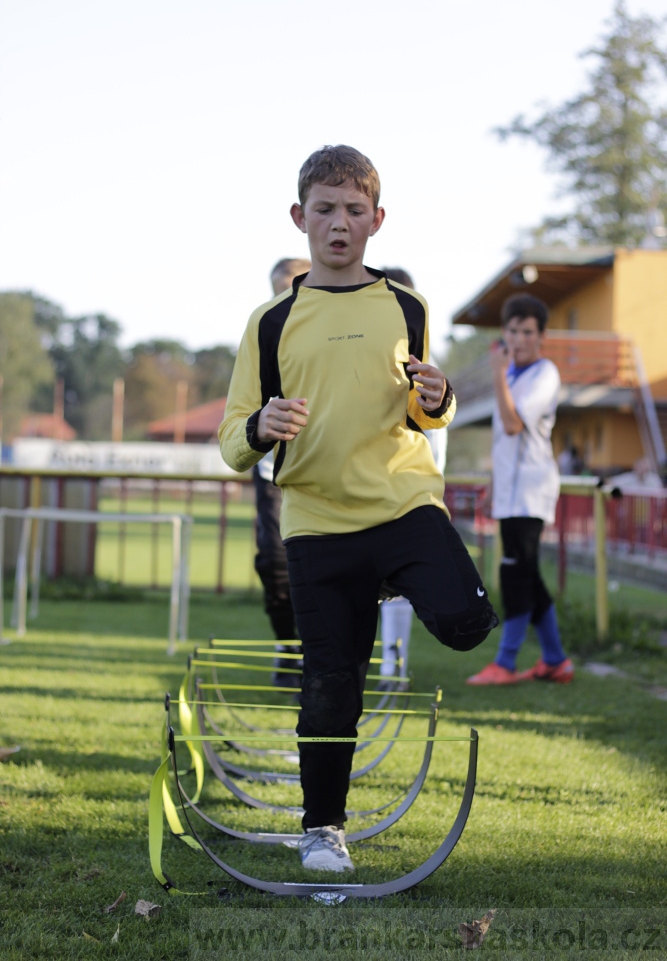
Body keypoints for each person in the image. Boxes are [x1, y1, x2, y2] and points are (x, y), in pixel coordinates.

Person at [219, 144, 498, 872]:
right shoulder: (270, 322)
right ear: (299, 217)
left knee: (467, 625)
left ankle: (386, 578)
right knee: (330, 685)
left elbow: (425, 408)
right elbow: (231, 440)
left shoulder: (407, 306)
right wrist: (261, 426)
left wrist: (438, 397)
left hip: (403, 505)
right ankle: (322, 831)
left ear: (377, 219)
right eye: (324, 209)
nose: (338, 223)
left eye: (353, 209)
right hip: (316, 522)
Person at [467, 294, 573, 686]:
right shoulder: (512, 375)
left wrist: (497, 373)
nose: (519, 339)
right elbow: (504, 442)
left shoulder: (544, 374)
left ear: (541, 336)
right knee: (527, 575)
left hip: (530, 491)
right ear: (504, 332)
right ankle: (556, 660)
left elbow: (513, 425)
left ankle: (506, 663)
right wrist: (494, 485)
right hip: (510, 493)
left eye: (528, 332)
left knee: (515, 575)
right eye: (513, 331)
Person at [378, 266, 448, 681]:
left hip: (408, 495)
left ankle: (394, 665)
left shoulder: (425, 369)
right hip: (361, 494)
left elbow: (434, 440)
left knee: (400, 586)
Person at [252, 258, 311, 690]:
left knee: (319, 568)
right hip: (273, 471)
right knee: (272, 562)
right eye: (278, 291)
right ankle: (287, 645)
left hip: (321, 471)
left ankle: (320, 652)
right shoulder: (261, 334)